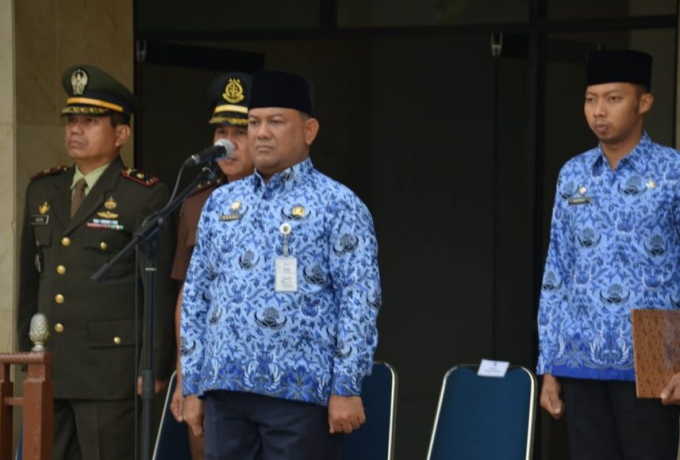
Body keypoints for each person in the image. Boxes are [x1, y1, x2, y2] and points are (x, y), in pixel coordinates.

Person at [180, 70, 382, 459]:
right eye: (253, 123)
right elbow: (197, 296)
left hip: (300, 395)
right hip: (226, 392)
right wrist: (193, 385)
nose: (261, 133)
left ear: (309, 131)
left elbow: (359, 299)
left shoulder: (338, 203)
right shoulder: (221, 204)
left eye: (275, 122)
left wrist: (347, 385)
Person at [16, 65, 176, 460]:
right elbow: (29, 278)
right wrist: (26, 349)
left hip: (111, 372)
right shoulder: (42, 189)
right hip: (50, 365)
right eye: (71, 120)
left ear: (121, 134)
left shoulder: (143, 195)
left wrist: (153, 364)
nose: (75, 129)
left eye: (90, 121)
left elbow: (154, 288)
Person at [537, 50, 680, 460]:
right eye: (590, 99)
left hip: (656, 354)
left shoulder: (672, 172)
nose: (599, 111)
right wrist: (550, 363)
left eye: (613, 98)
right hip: (580, 356)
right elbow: (557, 271)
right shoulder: (573, 174)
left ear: (644, 103)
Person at [169, 72, 255, 459]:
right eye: (222, 130)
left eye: (241, 131)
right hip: (211, 378)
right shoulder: (196, 203)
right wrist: (185, 378)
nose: (227, 143)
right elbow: (189, 298)